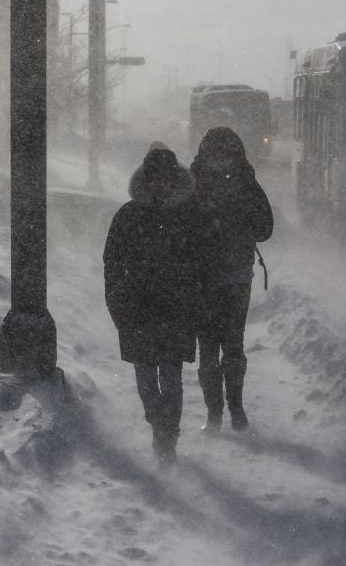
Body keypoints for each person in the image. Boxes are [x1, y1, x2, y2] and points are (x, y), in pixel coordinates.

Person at [103, 148, 209, 468]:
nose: (160, 184)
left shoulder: (189, 215)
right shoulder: (128, 215)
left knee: (172, 377)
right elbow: (112, 262)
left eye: (166, 179)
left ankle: (168, 437)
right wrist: (117, 301)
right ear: (146, 180)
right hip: (138, 308)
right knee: (146, 379)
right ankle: (159, 426)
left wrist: (196, 301)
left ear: (174, 180)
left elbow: (203, 264)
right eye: (155, 179)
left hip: (177, 308)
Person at [190, 126, 273, 433]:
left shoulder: (194, 183)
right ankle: (233, 409)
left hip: (207, 276)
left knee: (210, 347)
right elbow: (265, 228)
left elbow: (179, 227)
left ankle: (216, 414)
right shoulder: (246, 182)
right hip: (233, 275)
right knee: (231, 344)